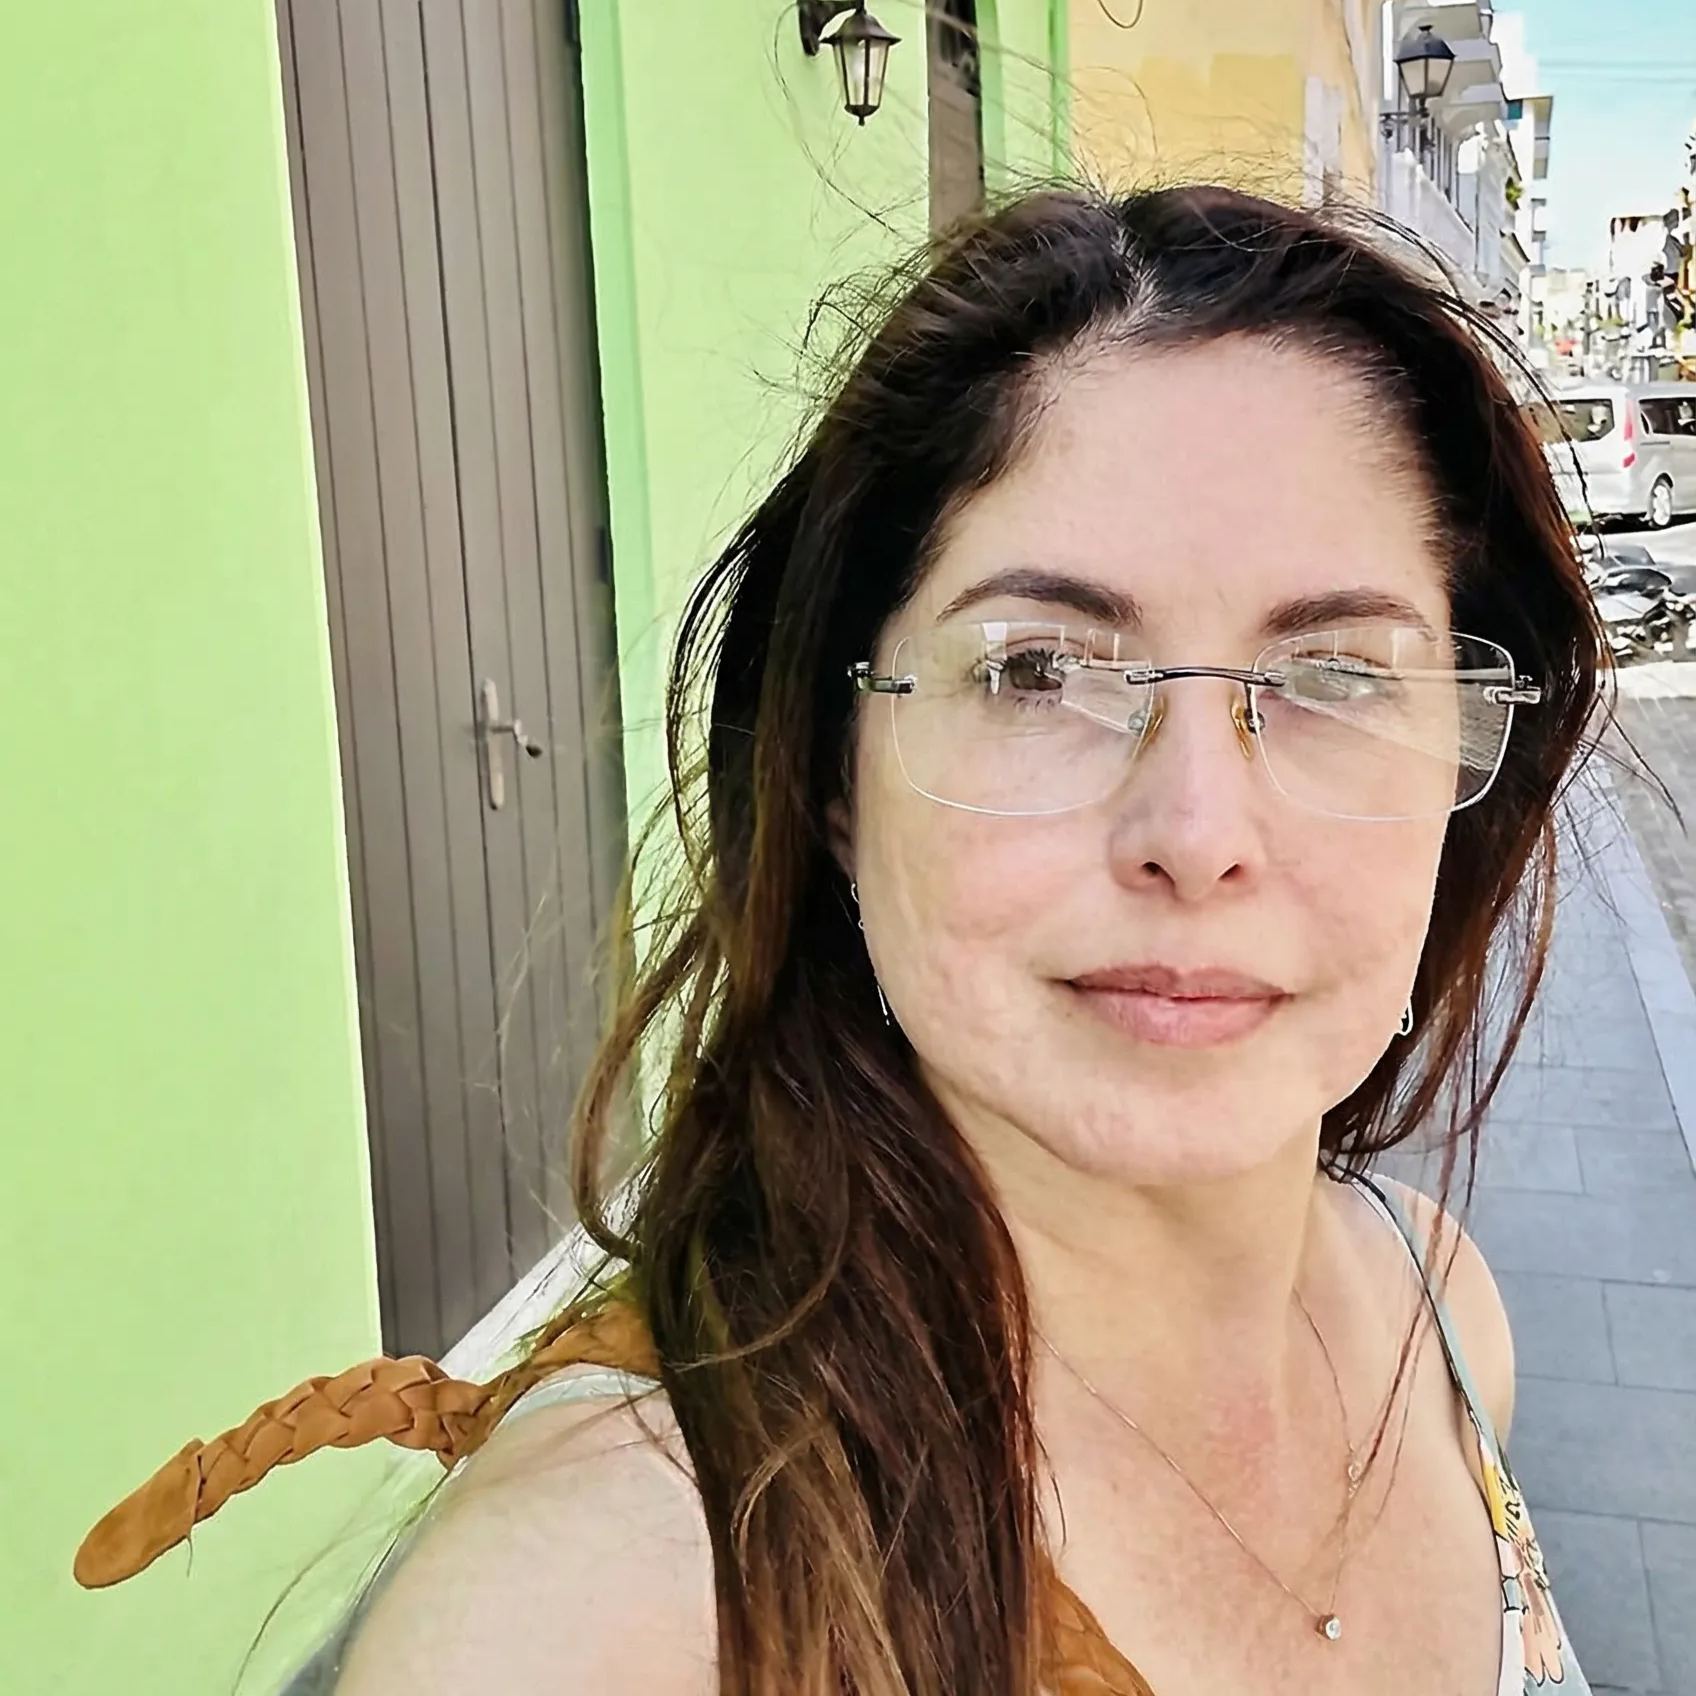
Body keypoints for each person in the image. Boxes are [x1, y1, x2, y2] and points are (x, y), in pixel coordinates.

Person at [79, 184, 1603, 1695]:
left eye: (1337, 674)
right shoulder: (613, 1609)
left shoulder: (1436, 1309)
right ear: (830, 780)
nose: (1199, 832)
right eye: (1037, 671)